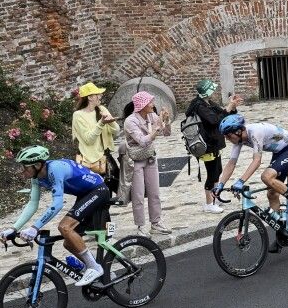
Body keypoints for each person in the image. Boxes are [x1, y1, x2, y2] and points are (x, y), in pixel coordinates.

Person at [1, 146, 109, 286]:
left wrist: (35, 227)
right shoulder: (36, 177)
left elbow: (57, 204)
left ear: (37, 165)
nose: (22, 170)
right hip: (85, 194)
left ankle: (95, 268)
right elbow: (33, 204)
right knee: (69, 242)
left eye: (25, 167)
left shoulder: (55, 169)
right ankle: (98, 270)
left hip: (98, 190)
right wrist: (14, 228)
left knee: (64, 227)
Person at [216, 114, 288, 218]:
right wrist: (220, 185)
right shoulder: (238, 140)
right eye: (225, 136)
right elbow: (231, 163)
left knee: (266, 177)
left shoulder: (255, 132)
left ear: (238, 131)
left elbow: (257, 161)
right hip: (279, 152)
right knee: (272, 194)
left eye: (228, 136)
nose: (227, 139)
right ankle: (279, 225)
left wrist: (241, 181)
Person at [183, 79, 238, 213]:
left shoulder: (209, 103)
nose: (213, 91)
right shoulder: (199, 106)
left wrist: (232, 107)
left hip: (214, 143)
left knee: (218, 171)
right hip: (207, 144)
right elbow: (214, 120)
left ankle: (215, 196)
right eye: (211, 89)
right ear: (206, 92)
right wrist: (228, 108)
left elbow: (223, 114)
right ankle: (209, 204)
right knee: (212, 174)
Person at [123, 91, 172, 236]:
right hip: (136, 161)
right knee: (138, 195)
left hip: (150, 158)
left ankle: (156, 223)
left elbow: (167, 133)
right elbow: (143, 141)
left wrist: (166, 120)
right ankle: (140, 226)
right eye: (150, 102)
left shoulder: (152, 116)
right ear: (142, 105)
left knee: (154, 193)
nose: (153, 105)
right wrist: (157, 129)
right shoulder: (130, 121)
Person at [71, 81, 118, 188]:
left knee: (116, 188)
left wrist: (111, 122)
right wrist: (101, 123)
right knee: (95, 191)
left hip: (105, 157)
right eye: (97, 94)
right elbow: (89, 139)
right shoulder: (78, 115)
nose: (100, 96)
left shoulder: (102, 109)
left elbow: (116, 131)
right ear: (90, 97)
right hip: (88, 161)